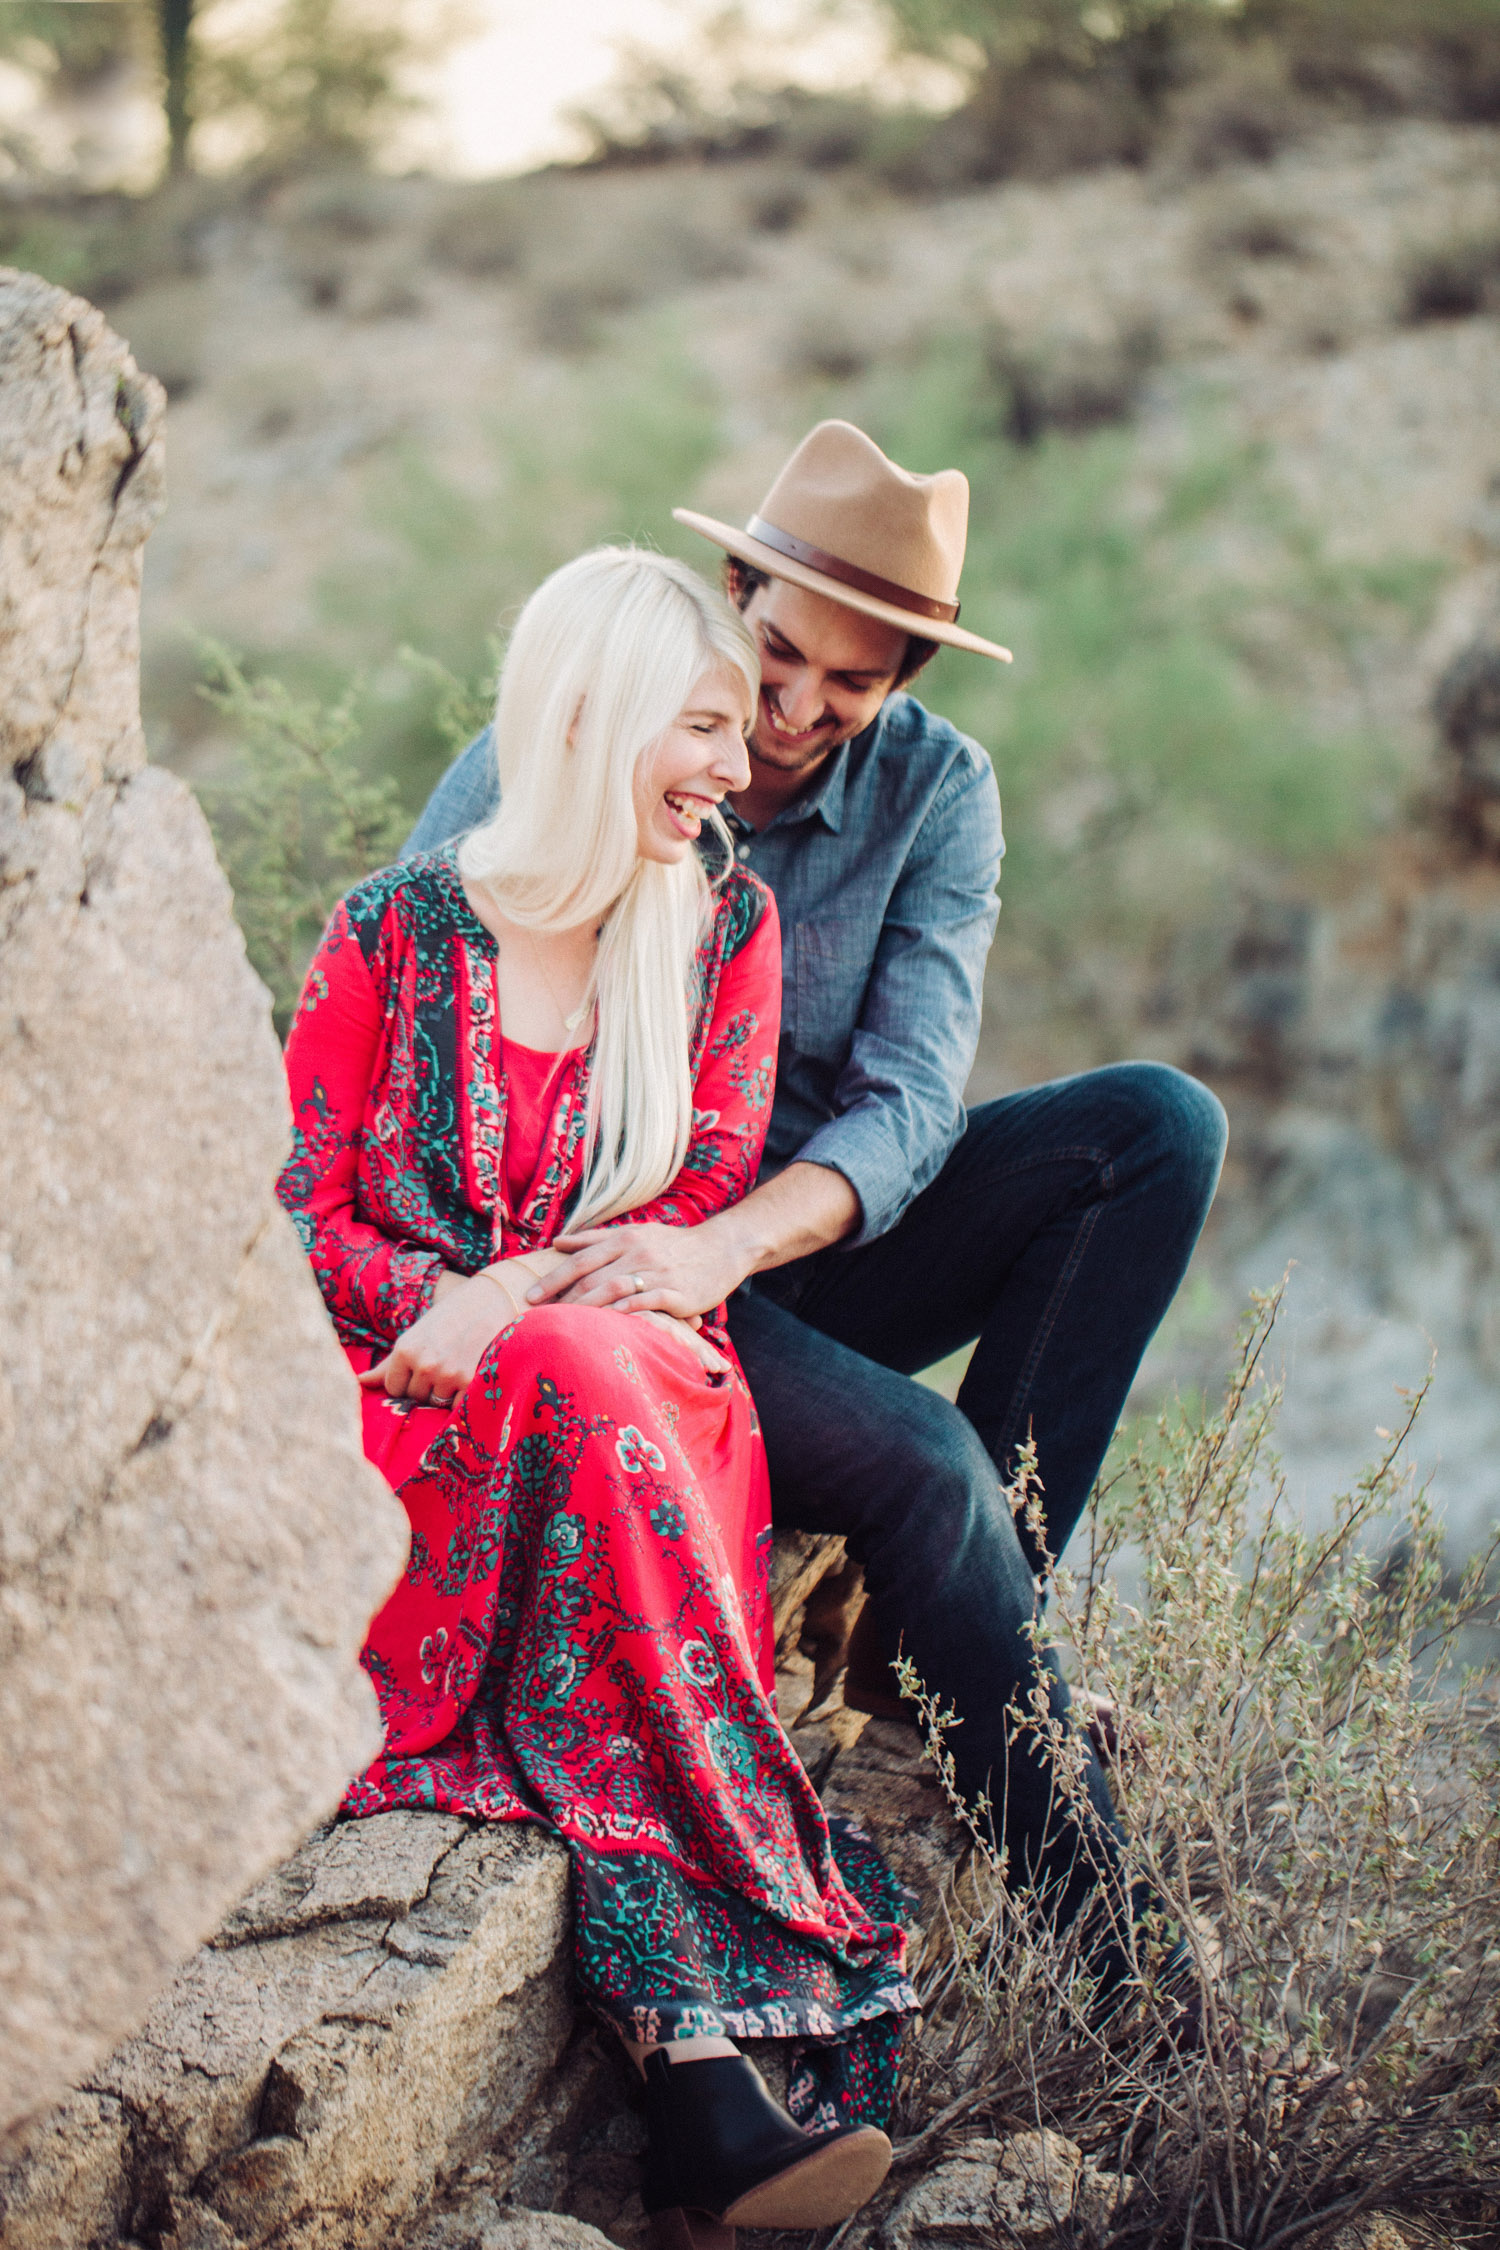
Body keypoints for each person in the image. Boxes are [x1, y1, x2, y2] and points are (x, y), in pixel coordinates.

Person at [406, 421, 1229, 1975]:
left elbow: (913, 1101)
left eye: (848, 687)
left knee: (1155, 1126)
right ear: (732, 586)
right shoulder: (585, 732)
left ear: (907, 682)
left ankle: (955, 1641)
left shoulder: (939, 795)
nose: (789, 716)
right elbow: (418, 1006)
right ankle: (1128, 1966)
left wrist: (726, 1240)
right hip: (599, 1261)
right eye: (774, 657)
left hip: (781, 1240)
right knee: (925, 1466)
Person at [277, 546, 917, 2248]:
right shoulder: (385, 933)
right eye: (702, 724)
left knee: (575, 1358)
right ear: (591, 712)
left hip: (632, 1389)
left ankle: (702, 2080)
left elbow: (693, 1205)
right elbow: (303, 1218)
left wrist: (506, 1296)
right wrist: (445, 1304)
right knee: (553, 1386)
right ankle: (702, 2075)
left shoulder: (723, 929)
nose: (739, 764)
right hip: (416, 1419)